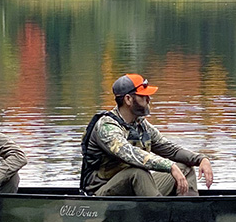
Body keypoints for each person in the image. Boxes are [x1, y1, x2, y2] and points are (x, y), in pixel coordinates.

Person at [80, 73, 213, 196]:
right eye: (143, 96)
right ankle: (159, 213)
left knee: (184, 168)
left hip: (134, 187)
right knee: (138, 172)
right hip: (102, 192)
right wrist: (169, 166)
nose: (148, 99)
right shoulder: (106, 126)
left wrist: (200, 159)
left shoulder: (140, 124)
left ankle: (189, 213)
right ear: (128, 99)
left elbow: (169, 149)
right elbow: (130, 154)